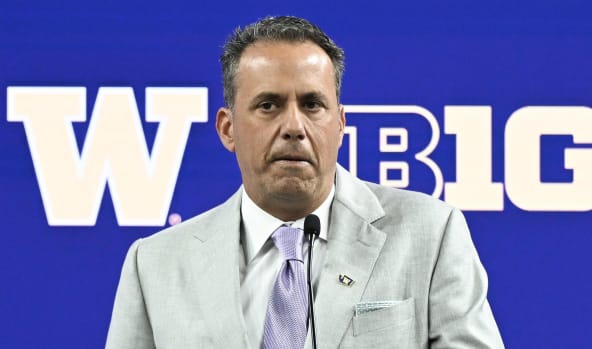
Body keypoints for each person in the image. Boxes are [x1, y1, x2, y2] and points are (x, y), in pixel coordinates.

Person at [106, 15, 504, 349]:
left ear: (341, 124)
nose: (294, 127)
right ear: (228, 129)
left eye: (312, 105)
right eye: (269, 105)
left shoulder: (430, 235)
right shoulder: (154, 265)